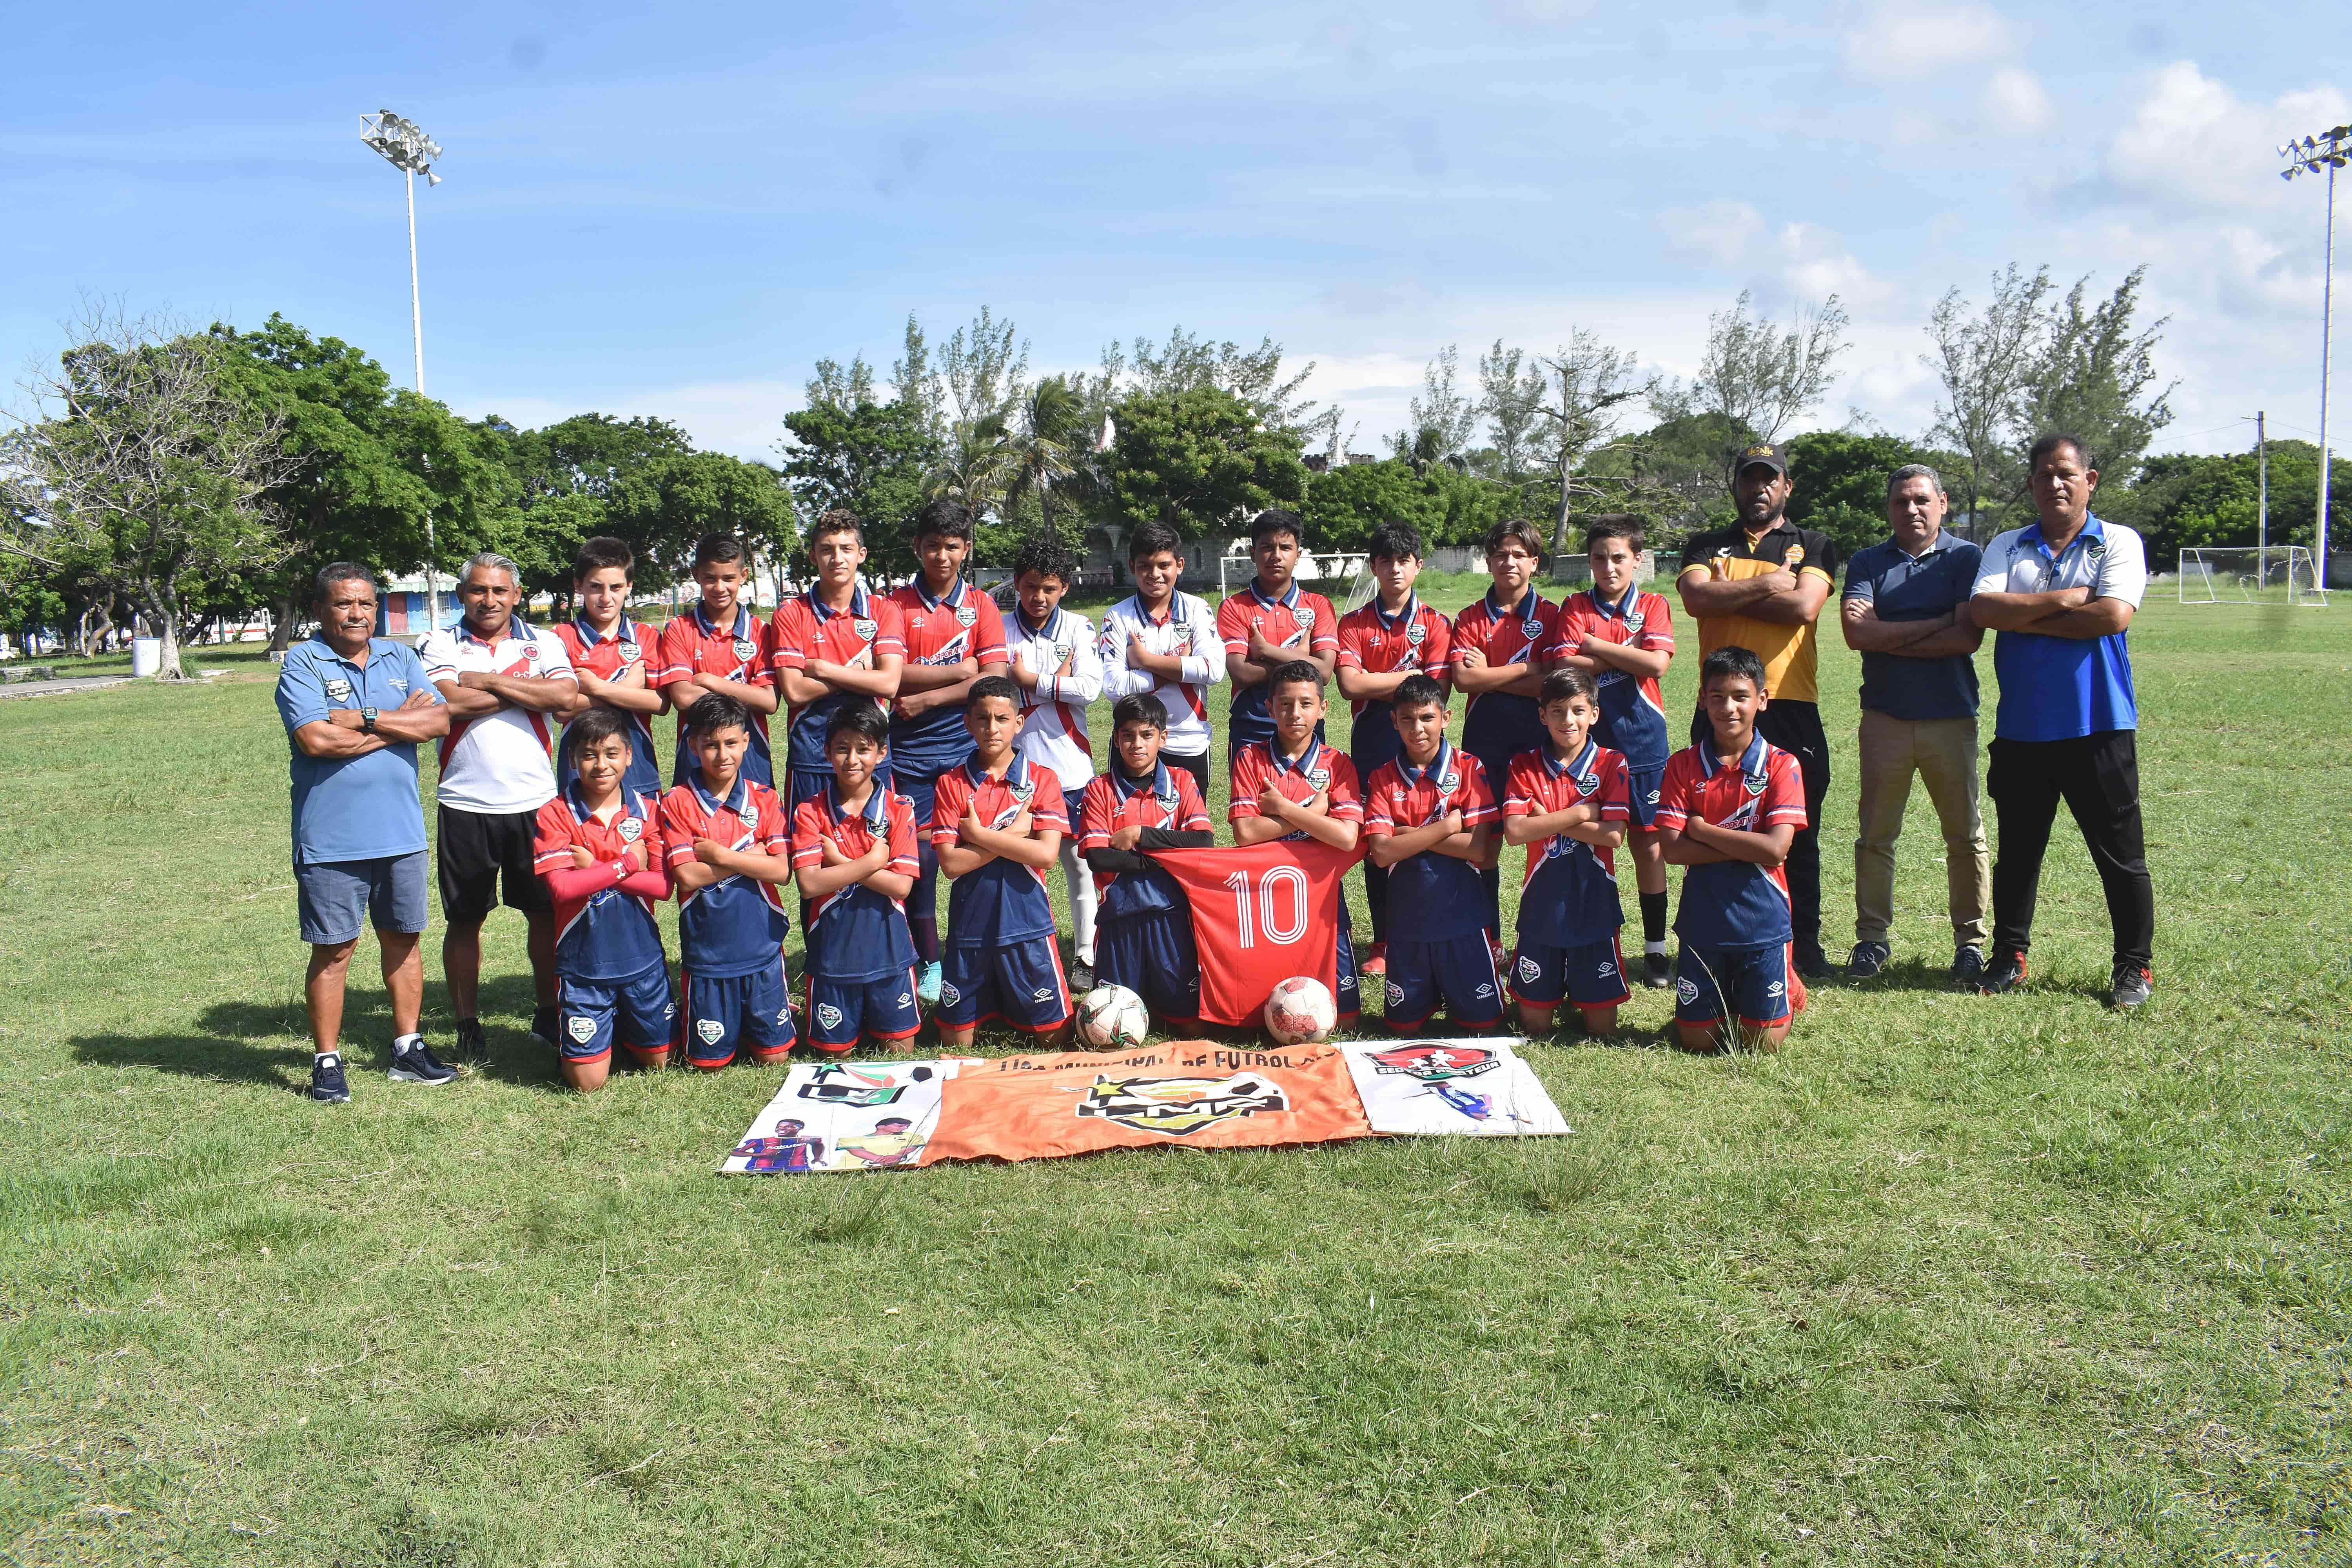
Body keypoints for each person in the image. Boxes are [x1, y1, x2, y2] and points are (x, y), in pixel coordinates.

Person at [1967, 434, 2154, 1009]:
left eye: (2067, 473)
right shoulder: (2006, 545)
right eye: (2044, 474)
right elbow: (1982, 610)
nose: (2056, 483)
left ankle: (2134, 969)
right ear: (2031, 484)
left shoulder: (2118, 541)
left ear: (2090, 480)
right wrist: (2069, 599)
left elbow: (2113, 616)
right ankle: (2009, 958)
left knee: (2120, 857)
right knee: (2019, 854)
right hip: (2023, 730)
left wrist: (2025, 617)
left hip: (2100, 725)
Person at [276, 562, 452, 1102]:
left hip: (400, 833)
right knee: (333, 950)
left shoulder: (400, 656)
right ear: (320, 610)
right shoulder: (303, 662)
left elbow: (439, 722)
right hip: (331, 839)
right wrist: (398, 728)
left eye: (366, 604)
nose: (357, 614)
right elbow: (317, 742)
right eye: (343, 603)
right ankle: (327, 1062)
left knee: (405, 941)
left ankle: (408, 1048)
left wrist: (361, 717)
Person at [420, 551, 580, 1065]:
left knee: (544, 913)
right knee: (465, 920)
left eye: (499, 591)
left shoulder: (545, 641)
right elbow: (448, 705)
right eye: (478, 590)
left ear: (516, 595)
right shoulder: (440, 643)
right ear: (462, 594)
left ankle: (549, 1012)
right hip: (465, 803)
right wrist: (527, 691)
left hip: (536, 802)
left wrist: (487, 680)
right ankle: (468, 1023)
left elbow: (565, 697)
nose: (489, 600)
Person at [1840, 464, 1991, 986]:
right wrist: (1937, 622)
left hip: (1951, 717)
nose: (1912, 509)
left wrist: (1893, 631)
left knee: (1964, 836)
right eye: (1902, 501)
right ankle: (1871, 940)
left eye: (1922, 500)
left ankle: (1970, 944)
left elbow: (1967, 638)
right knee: (1876, 837)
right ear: (1890, 509)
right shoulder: (1867, 561)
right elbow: (1858, 635)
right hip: (1885, 717)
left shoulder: (1967, 557)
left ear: (1943, 503)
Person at [1655, 647, 1811, 1053]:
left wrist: (1703, 830)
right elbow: (1672, 850)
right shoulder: (1682, 766)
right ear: (1702, 700)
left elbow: (1777, 850)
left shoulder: (1783, 765)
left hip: (1763, 922)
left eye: (1741, 696)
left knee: (1763, 1046)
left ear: (1762, 700)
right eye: (1718, 696)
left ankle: (1783, 983)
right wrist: (1749, 845)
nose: (1729, 707)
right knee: (1697, 1043)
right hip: (1703, 923)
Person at [886, 499, 1009, 1005]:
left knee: (974, 856)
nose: (942, 555)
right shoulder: (894, 604)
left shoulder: (981, 606)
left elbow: (995, 676)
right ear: (918, 547)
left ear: (967, 549)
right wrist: (962, 672)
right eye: (933, 545)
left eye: (952, 546)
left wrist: (930, 696)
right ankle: (929, 962)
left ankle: (972, 953)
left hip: (967, 754)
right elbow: (891, 670)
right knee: (918, 862)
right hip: (909, 755)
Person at [1545, 517, 1675, 988]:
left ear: (1637, 559)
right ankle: (1586, 941)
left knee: (1648, 843)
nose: (1609, 566)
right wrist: (1629, 650)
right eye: (1599, 557)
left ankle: (1657, 950)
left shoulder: (1655, 604)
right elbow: (1564, 663)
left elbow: (1657, 663)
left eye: (1619, 557)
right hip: (1586, 749)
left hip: (1643, 743)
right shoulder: (1577, 604)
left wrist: (1597, 645)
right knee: (1584, 842)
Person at [529, 707, 674, 1092]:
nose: (601, 765)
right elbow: (562, 889)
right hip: (584, 968)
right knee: (586, 1083)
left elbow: (662, 887)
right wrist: (627, 864)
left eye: (612, 753)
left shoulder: (649, 810)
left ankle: (622, 1028)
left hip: (642, 961)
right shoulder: (555, 814)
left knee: (660, 1062)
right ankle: (588, 1039)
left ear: (629, 755)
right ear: (574, 759)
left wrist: (593, 868)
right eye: (590, 755)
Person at [1334, 522, 1453, 979]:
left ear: (1418, 566)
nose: (1395, 568)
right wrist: (1412, 677)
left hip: (1424, 741)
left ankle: (1429, 927)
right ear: (1374, 567)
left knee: (1426, 831)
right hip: (1373, 741)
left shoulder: (1437, 623)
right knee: (1376, 841)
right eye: (1386, 560)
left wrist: (1380, 682)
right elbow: (1349, 685)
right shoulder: (1355, 623)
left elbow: (1437, 688)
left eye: (1404, 560)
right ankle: (1383, 940)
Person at [930, 676, 1075, 1049]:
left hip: (1026, 922)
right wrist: (1014, 834)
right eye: (982, 719)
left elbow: (1045, 855)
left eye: (1002, 718)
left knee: (1054, 1037)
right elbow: (951, 864)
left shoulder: (1042, 780)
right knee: (953, 1041)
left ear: (1019, 723)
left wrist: (980, 835)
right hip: (970, 926)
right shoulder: (951, 783)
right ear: (968, 723)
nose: (992, 728)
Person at [659, 693, 799, 1069]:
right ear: (693, 746)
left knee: (775, 1056)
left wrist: (722, 857)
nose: (723, 755)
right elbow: (687, 875)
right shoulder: (677, 802)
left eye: (732, 744)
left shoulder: (766, 800)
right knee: (709, 1063)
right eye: (711, 745)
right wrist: (754, 857)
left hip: (762, 948)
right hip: (708, 956)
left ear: (747, 742)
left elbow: (783, 872)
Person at [1361, 676, 1503, 1034]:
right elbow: (1380, 853)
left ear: (1446, 718)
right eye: (1407, 719)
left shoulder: (1470, 768)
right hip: (1409, 925)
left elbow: (1481, 851)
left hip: (1464, 922)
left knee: (1483, 1026)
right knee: (1401, 1030)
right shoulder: (1382, 778)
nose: (1417, 729)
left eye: (1427, 718)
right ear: (1394, 721)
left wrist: (1408, 835)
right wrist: (1446, 827)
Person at [1228, 661, 1364, 1024]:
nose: (1295, 714)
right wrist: (1315, 812)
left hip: (1323, 894)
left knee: (1346, 1017)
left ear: (1323, 709)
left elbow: (1348, 837)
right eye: (1285, 704)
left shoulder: (1338, 764)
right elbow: (1245, 834)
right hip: (1266, 894)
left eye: (1306, 704)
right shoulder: (1250, 759)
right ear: (1269, 708)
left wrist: (1285, 809)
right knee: (1264, 1011)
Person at [1503, 668, 1633, 1038]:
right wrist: (1580, 812)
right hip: (1541, 908)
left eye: (1578, 710)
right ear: (1542, 716)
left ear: (1594, 713)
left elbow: (1613, 836)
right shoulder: (1524, 765)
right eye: (1557, 711)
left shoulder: (1612, 762)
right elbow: (1515, 832)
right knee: (1534, 1026)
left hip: (1595, 906)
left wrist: (1547, 820)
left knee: (1602, 1029)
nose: (1568, 721)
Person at [1451, 517, 1563, 943]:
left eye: (1519, 555)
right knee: (1485, 844)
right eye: (1501, 554)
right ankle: (1489, 940)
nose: (1509, 562)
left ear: (1534, 562)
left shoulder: (1553, 616)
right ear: (1489, 561)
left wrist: (1495, 672)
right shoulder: (1469, 616)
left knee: (1548, 839)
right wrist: (1525, 670)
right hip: (1485, 743)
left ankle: (1545, 938)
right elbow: (1464, 681)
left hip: (1541, 744)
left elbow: (1553, 682)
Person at [789, 703, 923, 1055]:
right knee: (834, 1056)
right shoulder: (809, 812)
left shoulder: (899, 809)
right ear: (826, 752)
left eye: (863, 749)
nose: (852, 759)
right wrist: (872, 862)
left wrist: (841, 862)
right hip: (832, 959)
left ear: (881, 753)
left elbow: (902, 886)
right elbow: (809, 885)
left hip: (890, 954)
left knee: (901, 1051)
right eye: (842, 749)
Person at [1078, 693, 1215, 1030]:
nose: (1136, 744)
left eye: (1147, 735)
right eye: (1127, 735)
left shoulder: (1182, 782)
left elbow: (1203, 841)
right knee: (1108, 1026)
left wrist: (1140, 835)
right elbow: (1099, 856)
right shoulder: (1100, 788)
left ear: (1163, 738)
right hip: (1119, 917)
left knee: (1190, 1024)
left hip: (1172, 915)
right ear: (1116, 738)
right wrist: (1169, 858)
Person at [1003, 537, 1105, 989]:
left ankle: (1085, 955)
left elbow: (1090, 688)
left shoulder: (1081, 629)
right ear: (1016, 584)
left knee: (1080, 865)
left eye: (1048, 588)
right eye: (1029, 587)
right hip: (1014, 771)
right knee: (1019, 869)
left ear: (1064, 586)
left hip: (1071, 771)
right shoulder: (1000, 627)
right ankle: (1024, 952)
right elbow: (991, 689)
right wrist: (1053, 681)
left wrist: (1030, 681)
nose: (1038, 597)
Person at [771, 510, 904, 811]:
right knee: (809, 853)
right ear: (813, 556)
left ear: (862, 554)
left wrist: (822, 669)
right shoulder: (792, 613)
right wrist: (858, 672)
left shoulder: (883, 609)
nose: (837, 558)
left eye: (846, 549)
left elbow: (889, 683)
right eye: (827, 549)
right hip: (811, 754)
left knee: (874, 846)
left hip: (870, 754)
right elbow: (794, 692)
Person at [1096, 519, 1224, 797]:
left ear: (1179, 565)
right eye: (1145, 566)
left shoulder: (1197, 609)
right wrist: (1180, 667)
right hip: (1134, 742)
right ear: (1132, 567)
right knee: (1127, 828)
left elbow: (1214, 670)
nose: (1154, 574)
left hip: (1189, 740)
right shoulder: (1117, 617)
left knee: (1186, 832)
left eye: (1164, 565)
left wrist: (1145, 660)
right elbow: (1113, 686)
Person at [1218, 508, 1339, 779]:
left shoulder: (1318, 605)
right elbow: (1240, 672)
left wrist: (1267, 653)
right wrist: (1298, 661)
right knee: (1251, 813)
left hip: (1306, 727)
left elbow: (1326, 672)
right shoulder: (1234, 607)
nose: (1276, 555)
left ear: (1298, 553)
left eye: (1286, 547)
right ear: (1252, 553)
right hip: (1252, 726)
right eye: (1267, 547)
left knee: (1309, 813)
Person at [653, 533, 778, 788]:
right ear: (696, 575)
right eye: (710, 579)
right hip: (696, 757)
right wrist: (746, 692)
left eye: (729, 578)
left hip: (751, 756)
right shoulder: (679, 629)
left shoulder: (760, 632)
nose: (720, 588)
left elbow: (769, 701)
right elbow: (683, 698)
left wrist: (708, 681)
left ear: (744, 576)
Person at [552, 537, 664, 801]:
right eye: (595, 587)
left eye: (615, 587)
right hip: (580, 770)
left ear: (629, 587)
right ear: (579, 586)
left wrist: (596, 687)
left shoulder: (647, 636)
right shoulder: (560, 638)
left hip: (639, 766)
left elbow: (660, 704)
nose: (606, 598)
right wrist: (627, 690)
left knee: (642, 842)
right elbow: (561, 709)